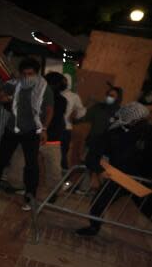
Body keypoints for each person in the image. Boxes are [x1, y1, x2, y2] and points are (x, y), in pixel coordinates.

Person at [0, 57, 55, 211]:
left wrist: (44, 129)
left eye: (31, 74)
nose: (27, 77)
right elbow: (0, 92)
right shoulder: (16, 84)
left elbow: (49, 110)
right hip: (12, 128)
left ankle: (30, 196)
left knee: (31, 165)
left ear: (37, 73)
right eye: (25, 74)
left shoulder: (44, 88)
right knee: (1, 157)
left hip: (32, 130)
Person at [75, 103, 152, 236]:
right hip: (119, 178)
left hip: (142, 180)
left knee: (148, 210)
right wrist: (99, 169)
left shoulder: (148, 133)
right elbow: (94, 154)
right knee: (98, 202)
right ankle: (94, 227)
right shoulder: (114, 132)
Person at [75, 83, 123, 192]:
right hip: (92, 142)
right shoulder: (98, 107)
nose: (109, 97)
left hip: (106, 147)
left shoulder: (120, 112)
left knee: (102, 170)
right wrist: (74, 119)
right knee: (87, 165)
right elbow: (85, 117)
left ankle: (99, 192)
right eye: (108, 95)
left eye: (112, 96)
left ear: (118, 98)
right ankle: (83, 189)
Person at [59, 72, 86, 170]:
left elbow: (81, 110)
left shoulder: (74, 96)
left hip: (66, 128)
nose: (63, 83)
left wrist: (74, 116)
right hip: (53, 127)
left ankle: (63, 175)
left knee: (62, 153)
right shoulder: (55, 93)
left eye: (64, 81)